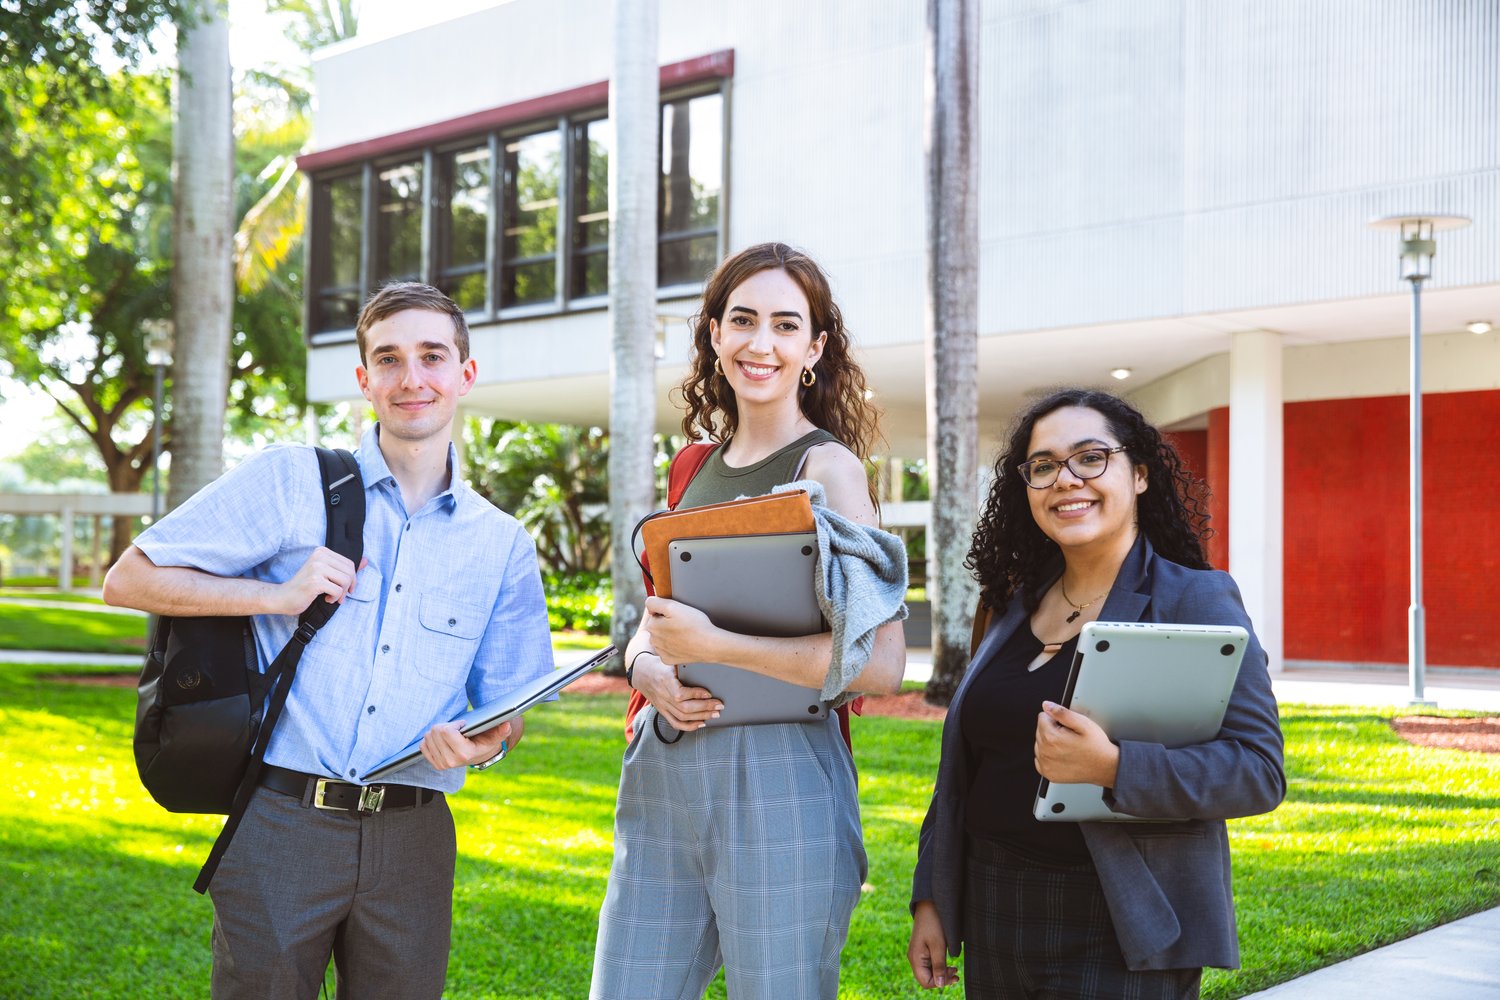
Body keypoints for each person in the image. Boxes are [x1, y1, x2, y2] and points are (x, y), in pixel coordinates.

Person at [103, 282, 554, 999]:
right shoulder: (290, 481)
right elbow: (129, 579)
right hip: (282, 822)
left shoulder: (499, 544)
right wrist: (275, 597)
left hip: (414, 837)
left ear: (464, 374)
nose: (412, 379)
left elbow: (509, 711)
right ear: (364, 379)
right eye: (389, 359)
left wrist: (482, 746)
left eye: (432, 356)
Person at [589, 242, 908, 1000]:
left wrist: (716, 646)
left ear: (814, 348)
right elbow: (650, 620)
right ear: (714, 334)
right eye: (742, 320)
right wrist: (646, 669)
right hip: (666, 767)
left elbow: (883, 663)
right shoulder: (690, 467)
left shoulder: (827, 471)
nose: (760, 343)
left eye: (785, 325)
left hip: (780, 769)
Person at [907, 388, 1285, 998]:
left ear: (1138, 474)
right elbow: (962, 771)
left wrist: (1113, 766)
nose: (1066, 480)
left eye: (1090, 458)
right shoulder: (1009, 603)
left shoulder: (1195, 600)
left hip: (1121, 918)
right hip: (995, 903)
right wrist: (934, 895)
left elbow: (1258, 772)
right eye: (1044, 466)